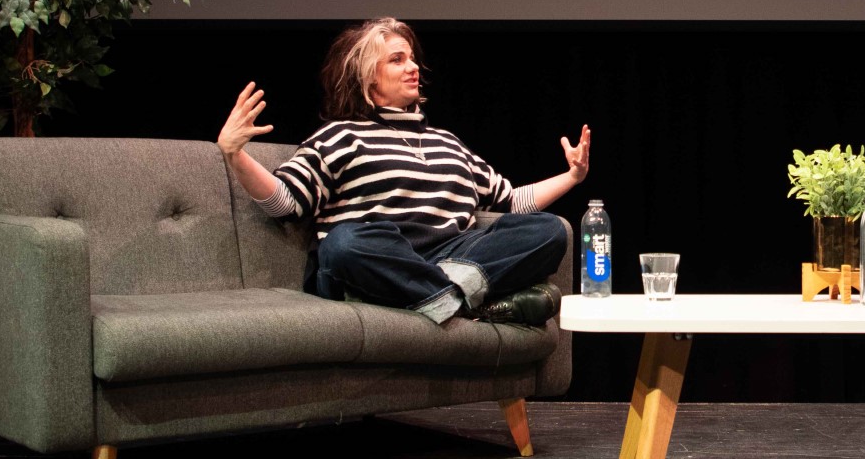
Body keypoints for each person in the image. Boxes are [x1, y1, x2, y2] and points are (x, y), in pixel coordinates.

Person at [217, 17, 588, 326]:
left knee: (548, 230)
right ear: (368, 78)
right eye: (397, 60)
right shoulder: (340, 136)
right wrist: (236, 156)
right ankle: (465, 302)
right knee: (344, 243)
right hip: (379, 259)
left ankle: (440, 299)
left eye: (412, 59)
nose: (413, 68)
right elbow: (287, 203)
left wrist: (571, 177)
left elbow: (509, 200)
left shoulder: (447, 142)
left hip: (451, 258)